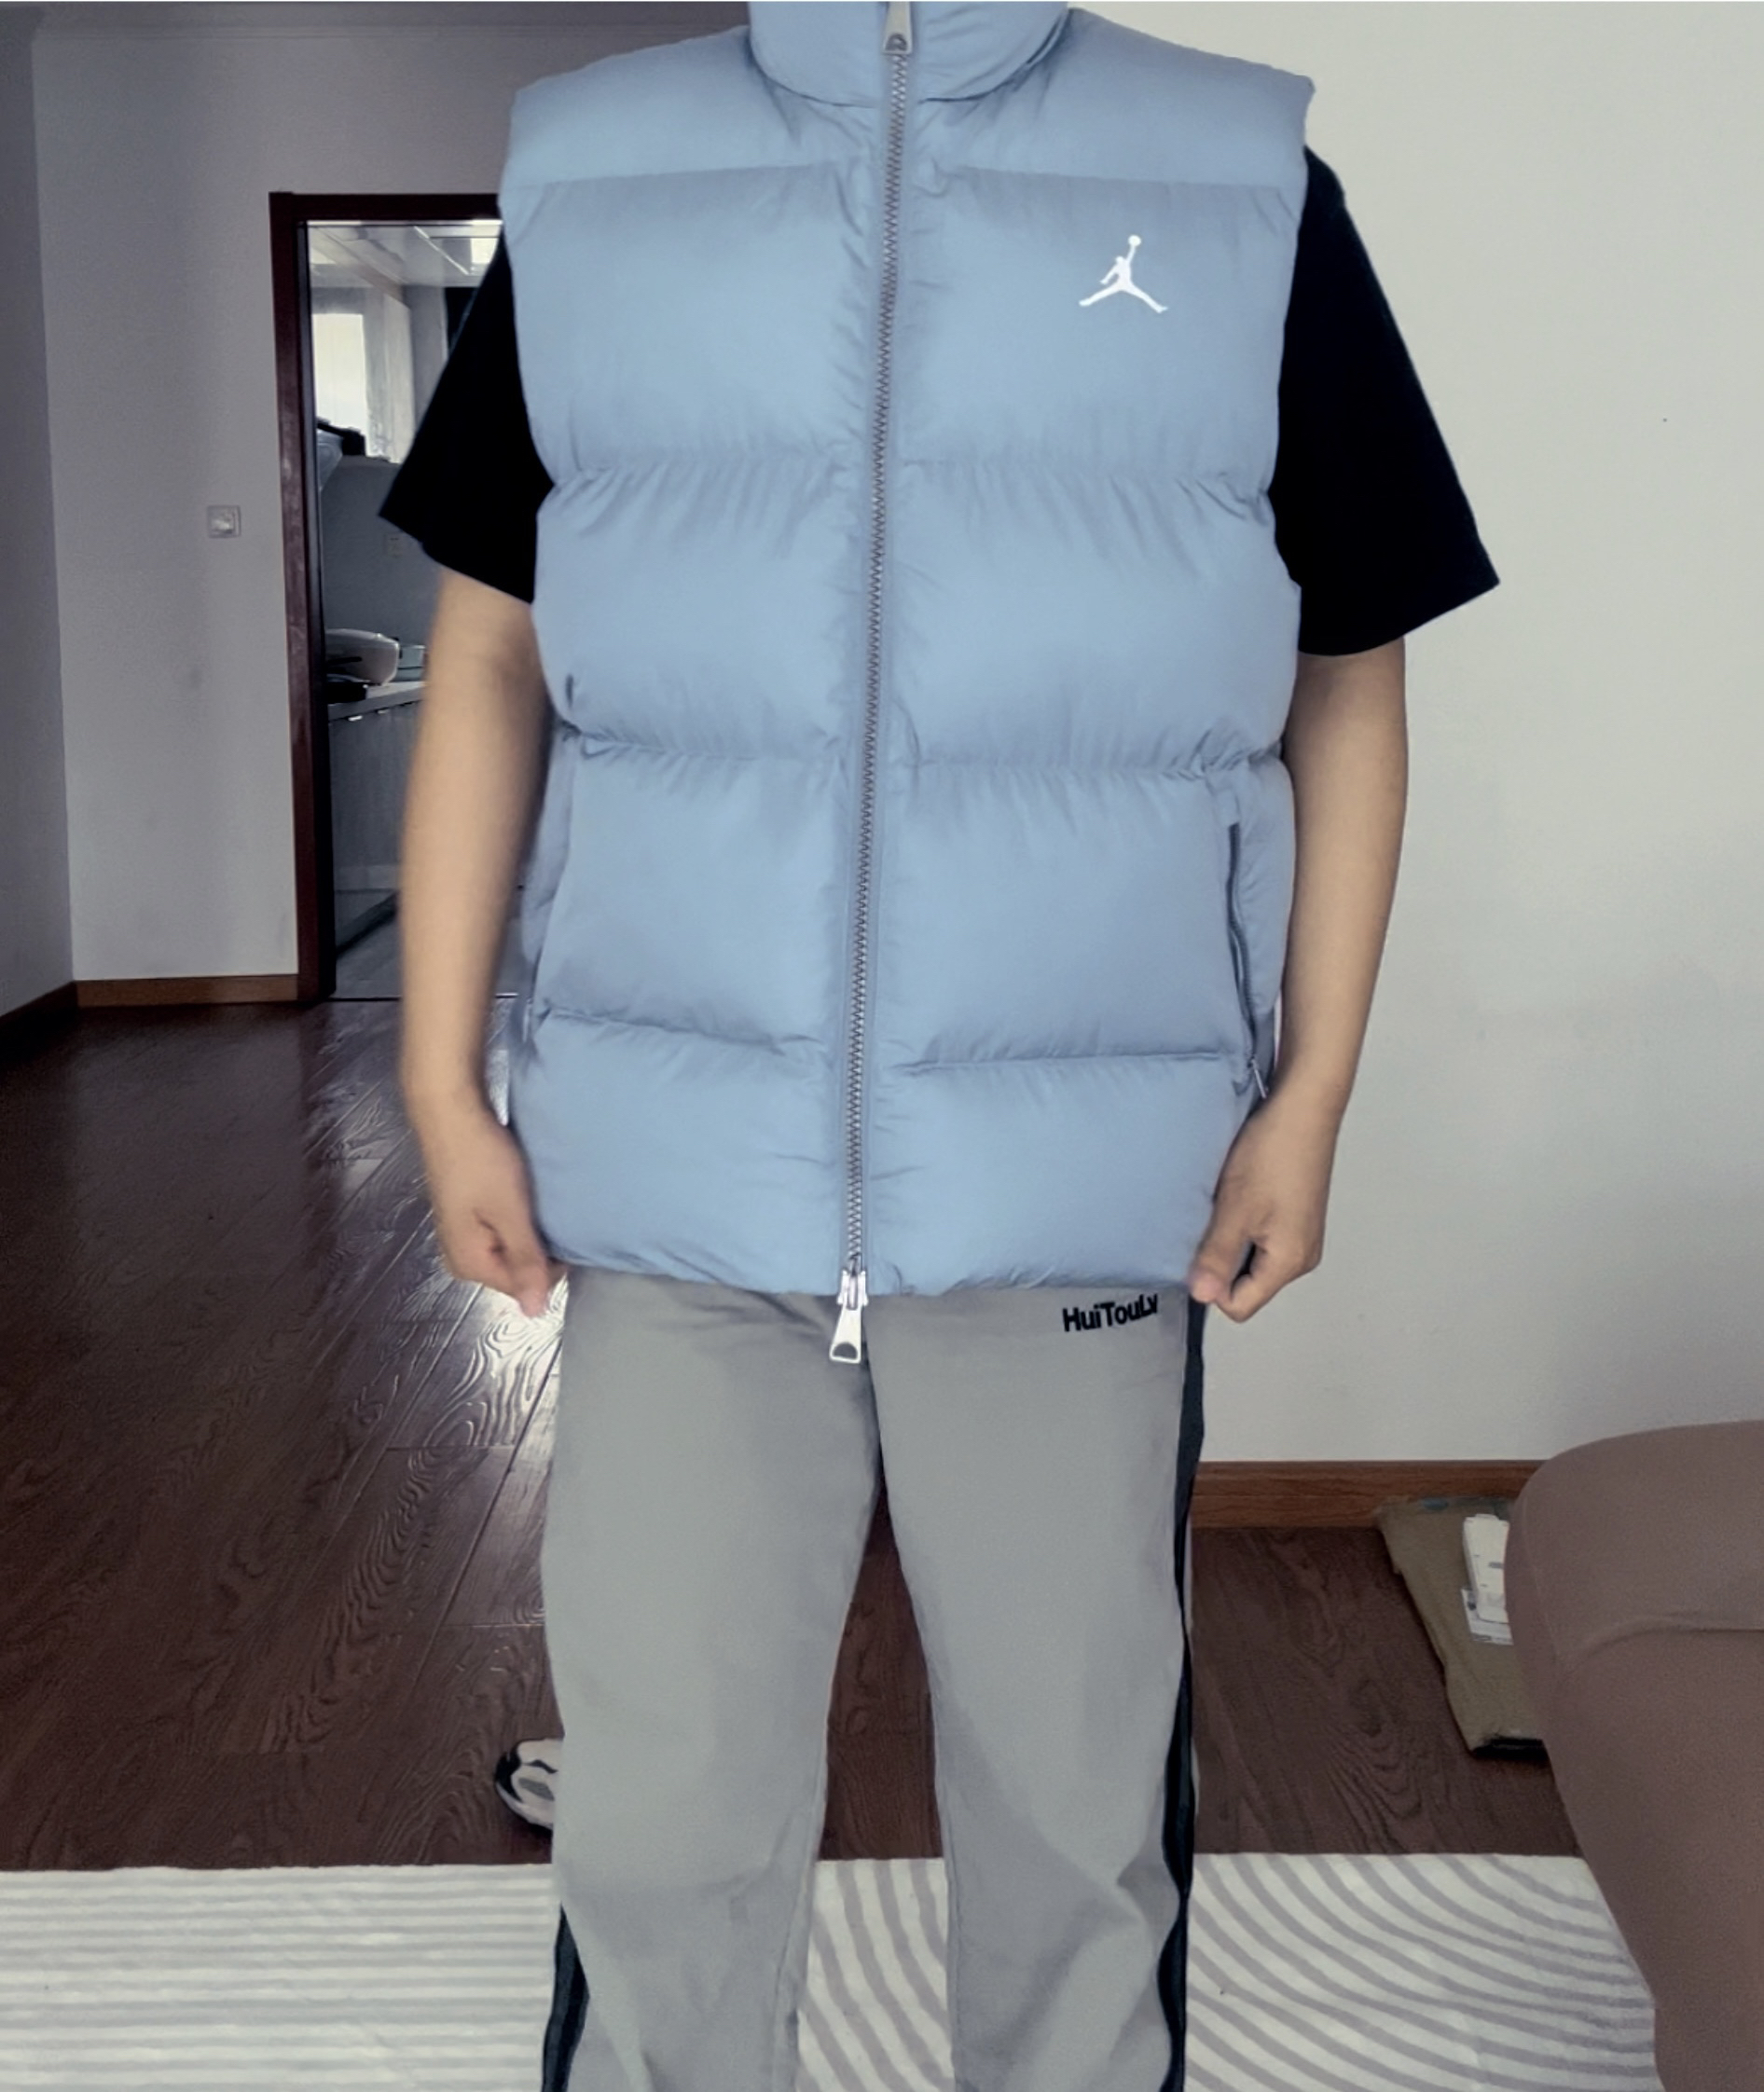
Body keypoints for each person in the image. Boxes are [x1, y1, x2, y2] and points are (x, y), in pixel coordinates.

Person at [382, 6, 1497, 2088]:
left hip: (1076, 1181)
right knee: (662, 1806)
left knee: (1076, 1810)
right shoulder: (597, 176)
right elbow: (491, 650)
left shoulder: (1236, 181)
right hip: (680, 1174)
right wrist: (440, 1082)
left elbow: (1351, 665)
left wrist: (1313, 1095)